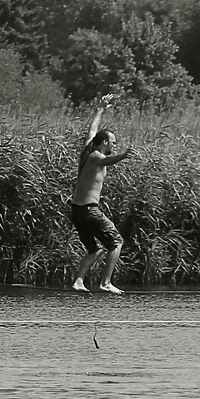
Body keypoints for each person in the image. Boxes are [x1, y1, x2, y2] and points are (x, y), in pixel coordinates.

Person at [70, 97, 131, 295]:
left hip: (77, 210)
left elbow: (92, 130)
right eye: (113, 142)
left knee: (94, 249)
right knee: (116, 242)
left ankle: (78, 282)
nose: (114, 145)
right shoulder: (96, 156)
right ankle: (106, 282)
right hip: (89, 210)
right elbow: (108, 160)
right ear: (105, 143)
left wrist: (100, 109)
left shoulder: (89, 148)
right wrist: (124, 156)